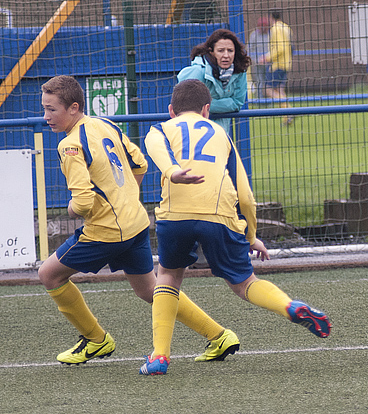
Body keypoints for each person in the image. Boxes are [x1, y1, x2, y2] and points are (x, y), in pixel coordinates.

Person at [38, 75, 240, 366]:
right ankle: (219, 336)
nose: (46, 117)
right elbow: (140, 163)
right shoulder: (104, 124)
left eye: (51, 109)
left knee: (49, 275)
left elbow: (82, 203)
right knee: (151, 289)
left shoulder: (69, 145)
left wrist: (71, 209)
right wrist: (125, 197)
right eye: (44, 109)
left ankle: (96, 340)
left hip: (105, 232)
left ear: (73, 107)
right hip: (135, 223)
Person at [140, 79, 330, 375]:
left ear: (171, 111)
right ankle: (289, 306)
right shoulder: (221, 134)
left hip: (174, 217)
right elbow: (245, 194)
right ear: (206, 110)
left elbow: (153, 144)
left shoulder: (162, 128)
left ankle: (159, 357)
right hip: (219, 216)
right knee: (244, 283)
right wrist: (252, 236)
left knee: (167, 276)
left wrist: (173, 171)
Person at [177, 28, 249, 135]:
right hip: (195, 133)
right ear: (211, 52)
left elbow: (237, 102)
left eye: (230, 51)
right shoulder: (198, 71)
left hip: (222, 132)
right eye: (220, 51)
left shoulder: (239, 72)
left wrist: (205, 106)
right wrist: (221, 104)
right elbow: (187, 104)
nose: (226, 55)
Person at [262, 10, 294, 125]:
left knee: (268, 89)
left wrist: (267, 57)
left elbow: (280, 48)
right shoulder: (286, 27)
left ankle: (289, 111)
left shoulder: (275, 28)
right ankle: (287, 116)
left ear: (271, 17)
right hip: (286, 62)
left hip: (278, 64)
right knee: (279, 90)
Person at [248, 16, 271, 100]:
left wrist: (268, 58)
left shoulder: (271, 34)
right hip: (257, 63)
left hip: (269, 63)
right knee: (259, 81)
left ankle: (268, 100)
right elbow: (250, 49)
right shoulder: (254, 35)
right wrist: (256, 60)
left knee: (268, 83)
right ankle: (260, 100)